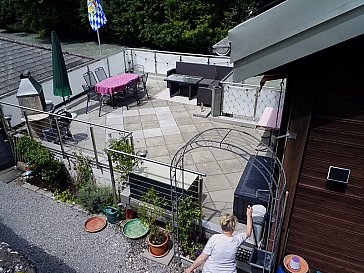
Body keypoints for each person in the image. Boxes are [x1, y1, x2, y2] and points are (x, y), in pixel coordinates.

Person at [184, 206, 253, 273]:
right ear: (233, 227)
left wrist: (191, 268)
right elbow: (248, 232)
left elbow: (203, 258)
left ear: (222, 226)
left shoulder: (215, 238)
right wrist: (249, 215)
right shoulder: (236, 240)